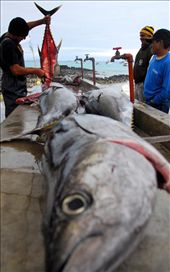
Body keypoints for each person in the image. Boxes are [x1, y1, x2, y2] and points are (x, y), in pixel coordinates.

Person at [0, 15, 51, 118]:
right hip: (12, 86)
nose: (24, 38)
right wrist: (36, 71)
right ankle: (13, 133)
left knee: (19, 110)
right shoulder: (8, 45)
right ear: (16, 34)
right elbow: (15, 70)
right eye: (22, 36)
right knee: (14, 116)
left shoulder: (7, 35)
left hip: (14, 85)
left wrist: (42, 21)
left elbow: (26, 26)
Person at [144, 29, 170, 114]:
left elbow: (166, 90)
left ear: (161, 43)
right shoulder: (154, 57)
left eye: (153, 42)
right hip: (148, 101)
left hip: (158, 105)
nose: (151, 45)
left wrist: (153, 101)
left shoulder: (167, 62)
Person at [133, 26, 154, 102]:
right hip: (137, 83)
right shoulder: (142, 49)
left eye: (142, 36)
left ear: (149, 36)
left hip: (144, 84)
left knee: (143, 107)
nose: (140, 38)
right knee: (137, 105)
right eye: (140, 36)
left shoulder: (151, 49)